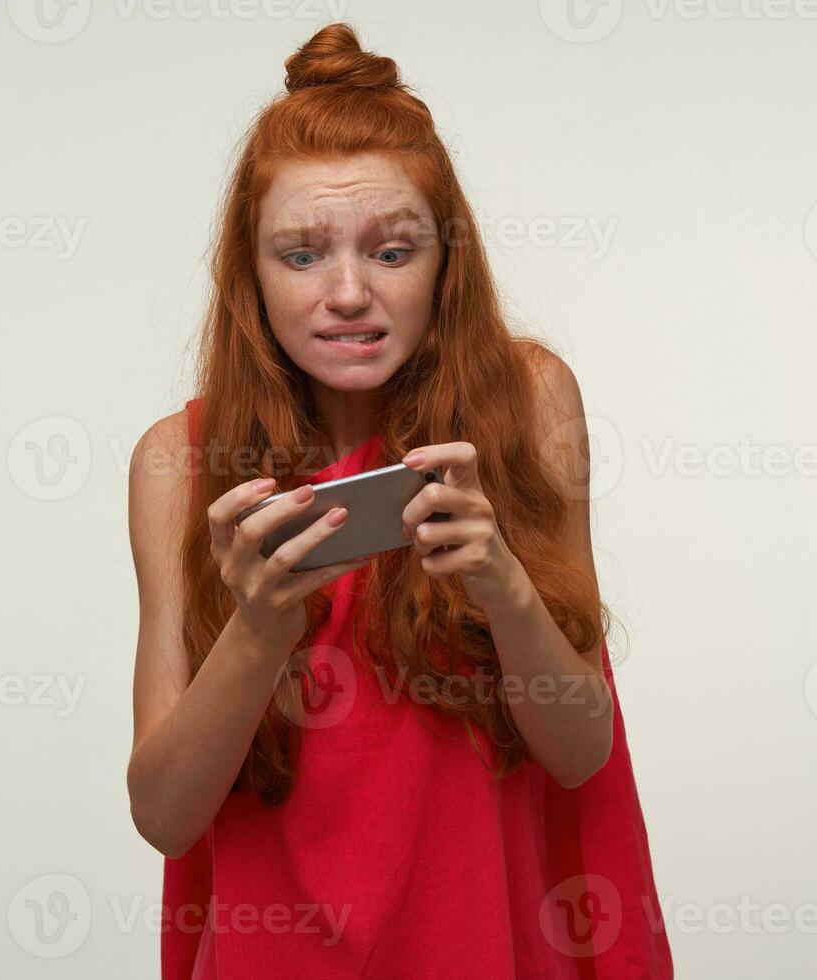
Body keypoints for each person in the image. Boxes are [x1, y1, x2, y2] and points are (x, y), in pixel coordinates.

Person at [125, 22, 674, 979]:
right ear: (249, 278)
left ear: (445, 264)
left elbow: (583, 751)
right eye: (300, 255)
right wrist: (258, 629)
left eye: (391, 251)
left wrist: (504, 587)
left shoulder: (530, 400)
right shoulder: (177, 461)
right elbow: (165, 818)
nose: (348, 293)